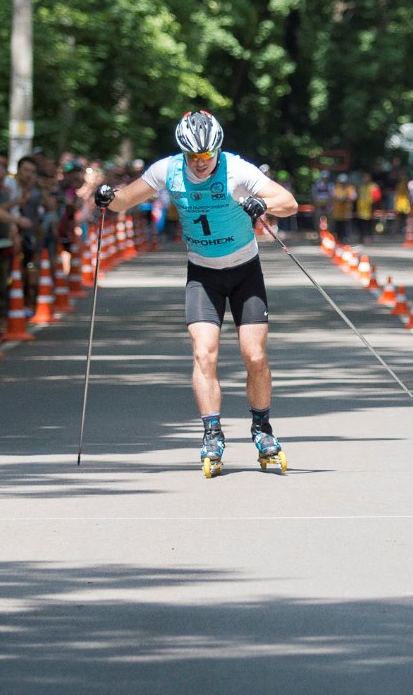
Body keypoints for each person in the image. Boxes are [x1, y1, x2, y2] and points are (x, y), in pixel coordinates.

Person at [93, 111, 299, 472]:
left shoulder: (236, 169)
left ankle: (262, 428)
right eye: (193, 156)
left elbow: (289, 202)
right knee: (204, 354)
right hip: (203, 275)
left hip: (245, 273)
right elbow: (125, 201)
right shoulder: (167, 170)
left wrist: (263, 204)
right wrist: (108, 197)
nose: (201, 163)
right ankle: (212, 433)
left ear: (218, 149)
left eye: (207, 155)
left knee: (255, 356)